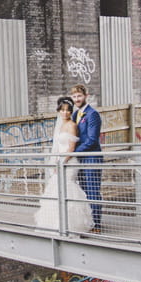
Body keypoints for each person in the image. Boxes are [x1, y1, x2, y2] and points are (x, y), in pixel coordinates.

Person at [34, 96, 91, 233]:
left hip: (69, 162)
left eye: (67, 110)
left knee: (68, 189)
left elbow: (71, 148)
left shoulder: (72, 125)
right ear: (58, 111)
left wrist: (61, 162)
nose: (65, 113)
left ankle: (70, 226)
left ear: (71, 112)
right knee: (55, 189)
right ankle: (53, 224)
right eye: (62, 110)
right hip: (59, 161)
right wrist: (55, 163)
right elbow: (58, 147)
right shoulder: (60, 126)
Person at [70, 84, 103, 233]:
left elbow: (92, 140)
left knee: (92, 190)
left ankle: (96, 224)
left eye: (79, 96)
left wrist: (73, 152)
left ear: (86, 96)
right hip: (80, 159)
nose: (77, 99)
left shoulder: (92, 114)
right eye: (74, 97)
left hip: (91, 157)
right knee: (82, 191)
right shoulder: (75, 115)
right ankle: (86, 222)